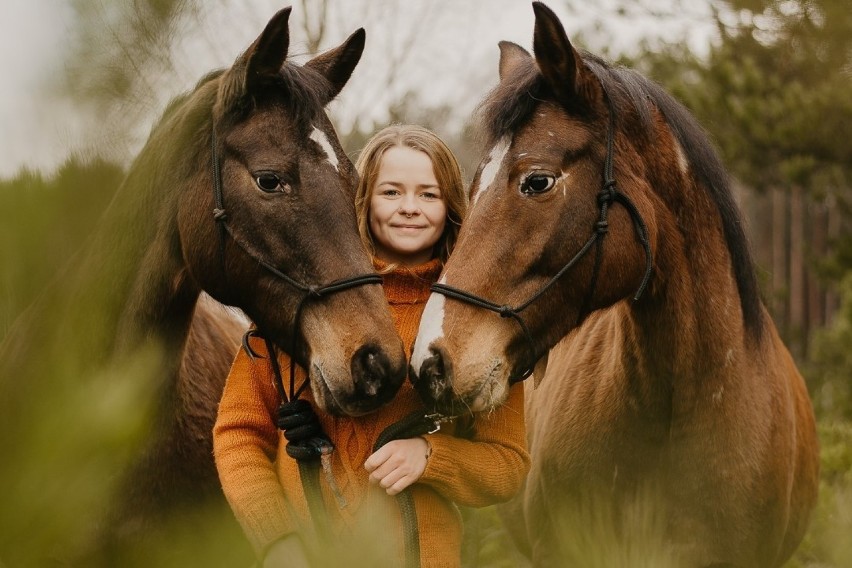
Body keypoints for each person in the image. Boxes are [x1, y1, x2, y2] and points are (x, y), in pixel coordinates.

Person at [213, 124, 529, 568]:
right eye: (391, 192)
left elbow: (507, 464)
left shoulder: (482, 319)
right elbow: (239, 433)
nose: (409, 208)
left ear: (450, 206)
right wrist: (278, 541)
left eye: (428, 195)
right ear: (363, 201)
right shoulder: (302, 302)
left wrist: (431, 457)